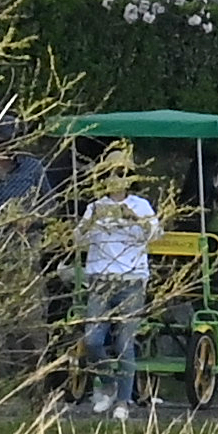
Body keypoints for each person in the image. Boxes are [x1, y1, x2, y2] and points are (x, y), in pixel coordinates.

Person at [70, 170, 156, 412]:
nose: (115, 180)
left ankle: (123, 401)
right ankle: (109, 384)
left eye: (121, 174)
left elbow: (154, 235)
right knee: (92, 340)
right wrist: (91, 221)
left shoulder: (141, 205)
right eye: (110, 175)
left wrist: (133, 218)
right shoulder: (95, 207)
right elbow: (77, 240)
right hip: (101, 279)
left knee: (124, 342)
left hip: (131, 279)